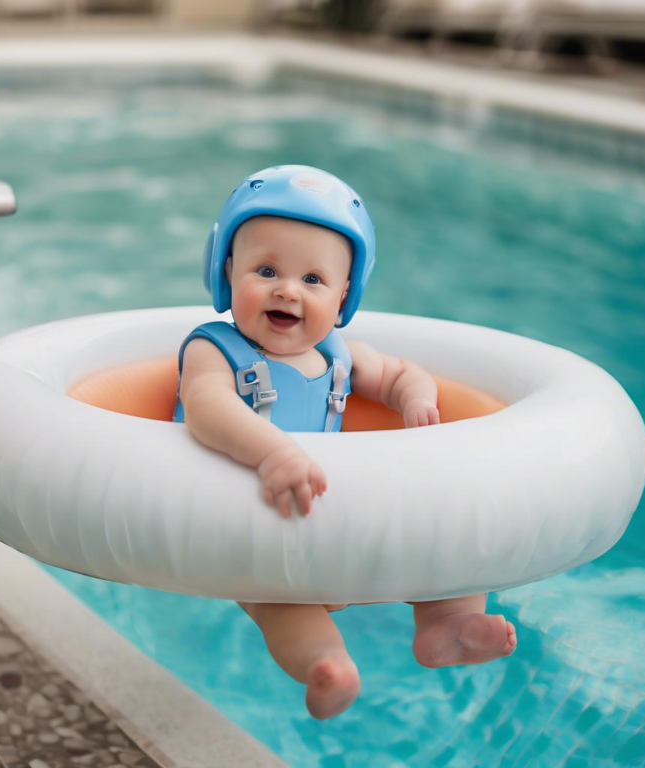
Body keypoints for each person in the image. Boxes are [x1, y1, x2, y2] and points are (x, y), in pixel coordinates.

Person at [174, 165, 517, 720]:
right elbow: (207, 407)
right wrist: (272, 453)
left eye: (313, 280)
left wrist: (414, 399)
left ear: (342, 298)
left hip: (333, 517)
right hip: (254, 521)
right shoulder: (214, 350)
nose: (288, 289)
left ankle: (444, 623)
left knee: (451, 543)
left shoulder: (341, 354)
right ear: (225, 272)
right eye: (266, 270)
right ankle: (325, 665)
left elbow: (402, 373)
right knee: (280, 605)